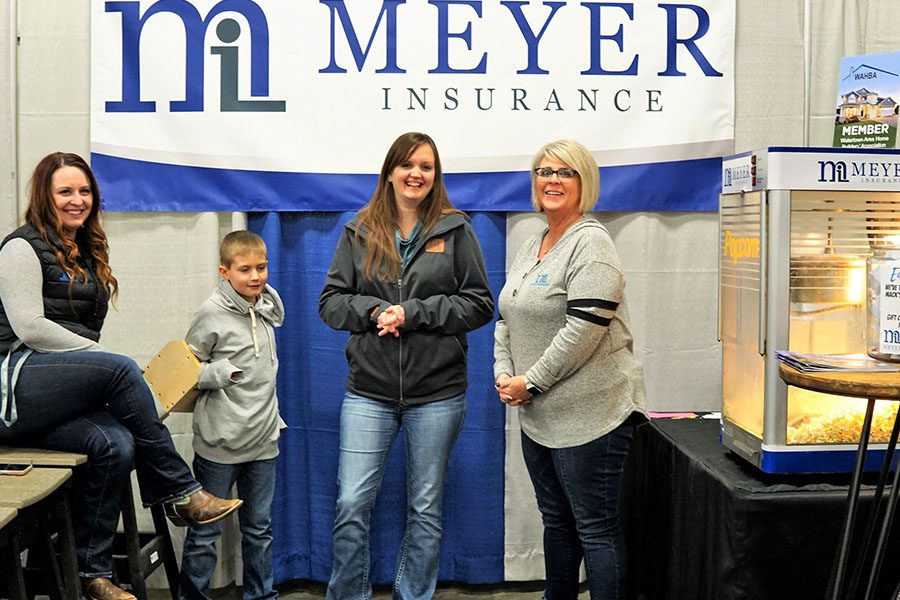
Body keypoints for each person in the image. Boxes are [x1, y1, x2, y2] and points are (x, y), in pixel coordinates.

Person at [0, 152, 243, 600]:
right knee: (121, 367)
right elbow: (30, 327)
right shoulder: (21, 247)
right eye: (65, 192)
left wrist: (95, 371)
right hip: (13, 386)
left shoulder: (86, 252)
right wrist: (98, 358)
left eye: (85, 191)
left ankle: (92, 576)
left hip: (56, 391)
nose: (77, 200)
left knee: (116, 444)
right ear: (43, 196)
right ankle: (179, 491)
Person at [318, 132, 494, 600]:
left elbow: (479, 305)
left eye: (427, 166)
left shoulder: (456, 229)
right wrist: (376, 312)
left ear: (436, 176)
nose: (416, 174)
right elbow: (331, 303)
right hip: (368, 391)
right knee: (352, 502)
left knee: (425, 507)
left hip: (437, 393)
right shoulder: (358, 230)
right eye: (408, 165)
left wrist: (414, 313)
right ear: (390, 171)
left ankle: (412, 595)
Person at [493, 140, 646, 600]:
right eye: (543, 171)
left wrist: (531, 381)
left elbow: (583, 330)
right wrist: (505, 374)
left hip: (592, 416)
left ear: (585, 183)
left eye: (565, 172)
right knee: (557, 521)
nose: (552, 180)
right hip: (538, 415)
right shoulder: (533, 243)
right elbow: (507, 316)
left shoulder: (592, 244)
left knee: (595, 528)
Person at [178, 230, 285, 600]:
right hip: (219, 444)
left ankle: (261, 595)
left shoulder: (268, 308)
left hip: (263, 440)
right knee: (206, 532)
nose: (255, 276)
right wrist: (220, 373)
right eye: (245, 270)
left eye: (261, 267)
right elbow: (183, 371)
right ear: (224, 272)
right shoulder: (210, 313)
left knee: (259, 529)